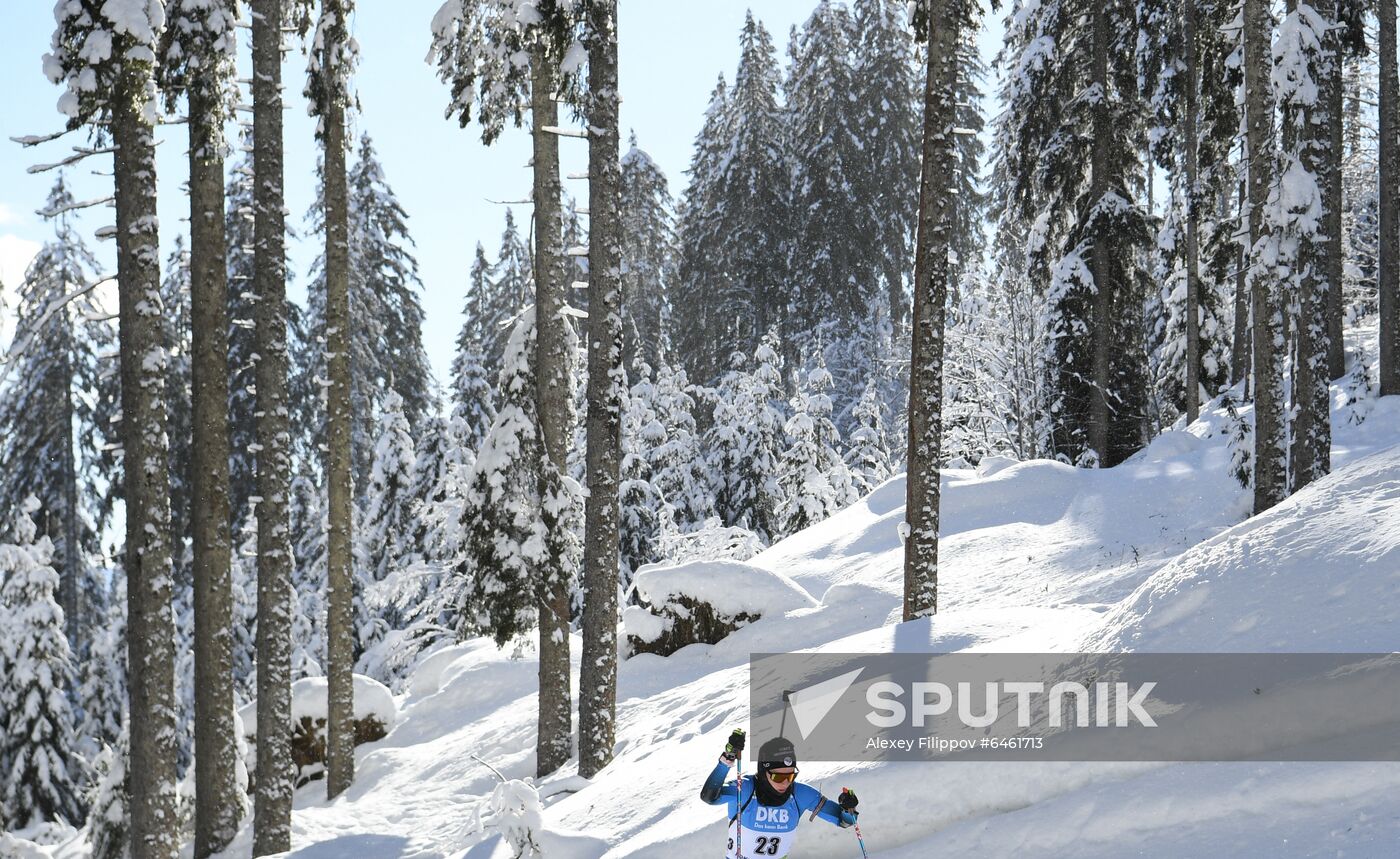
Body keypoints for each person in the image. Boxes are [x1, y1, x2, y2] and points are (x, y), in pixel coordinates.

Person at [700, 730, 858, 858]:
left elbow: (845, 822)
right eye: (778, 776)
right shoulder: (746, 788)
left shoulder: (801, 794)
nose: (785, 782)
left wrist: (848, 808)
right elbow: (709, 797)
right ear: (763, 771)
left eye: (790, 776)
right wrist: (727, 760)